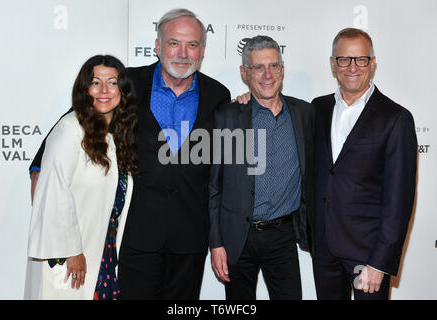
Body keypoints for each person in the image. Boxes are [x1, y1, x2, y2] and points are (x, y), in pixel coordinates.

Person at [29, 8, 230, 299]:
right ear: (158, 46)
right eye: (174, 43)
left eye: (193, 45)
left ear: (202, 50)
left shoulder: (218, 95)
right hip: (135, 236)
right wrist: (39, 172)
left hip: (190, 238)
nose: (183, 53)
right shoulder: (128, 85)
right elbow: (78, 117)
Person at [312, 28, 417, 300]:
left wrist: (380, 262)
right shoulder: (317, 108)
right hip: (324, 250)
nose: (352, 67)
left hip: (368, 254)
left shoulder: (396, 118)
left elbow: (399, 200)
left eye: (361, 59)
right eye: (344, 59)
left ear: (372, 63)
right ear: (333, 64)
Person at [209, 35, 314, 300]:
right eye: (258, 67)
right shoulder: (228, 116)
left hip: (283, 236)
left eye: (273, 66)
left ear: (282, 68)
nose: (267, 74)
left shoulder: (305, 114)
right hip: (237, 238)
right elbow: (214, 187)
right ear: (245, 73)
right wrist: (216, 243)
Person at [25, 55, 138, 299]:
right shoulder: (70, 128)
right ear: (84, 89)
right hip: (72, 258)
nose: (104, 90)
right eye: (96, 83)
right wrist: (71, 251)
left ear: (123, 90)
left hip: (104, 254)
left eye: (113, 82)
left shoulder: (120, 135)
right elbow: (53, 191)